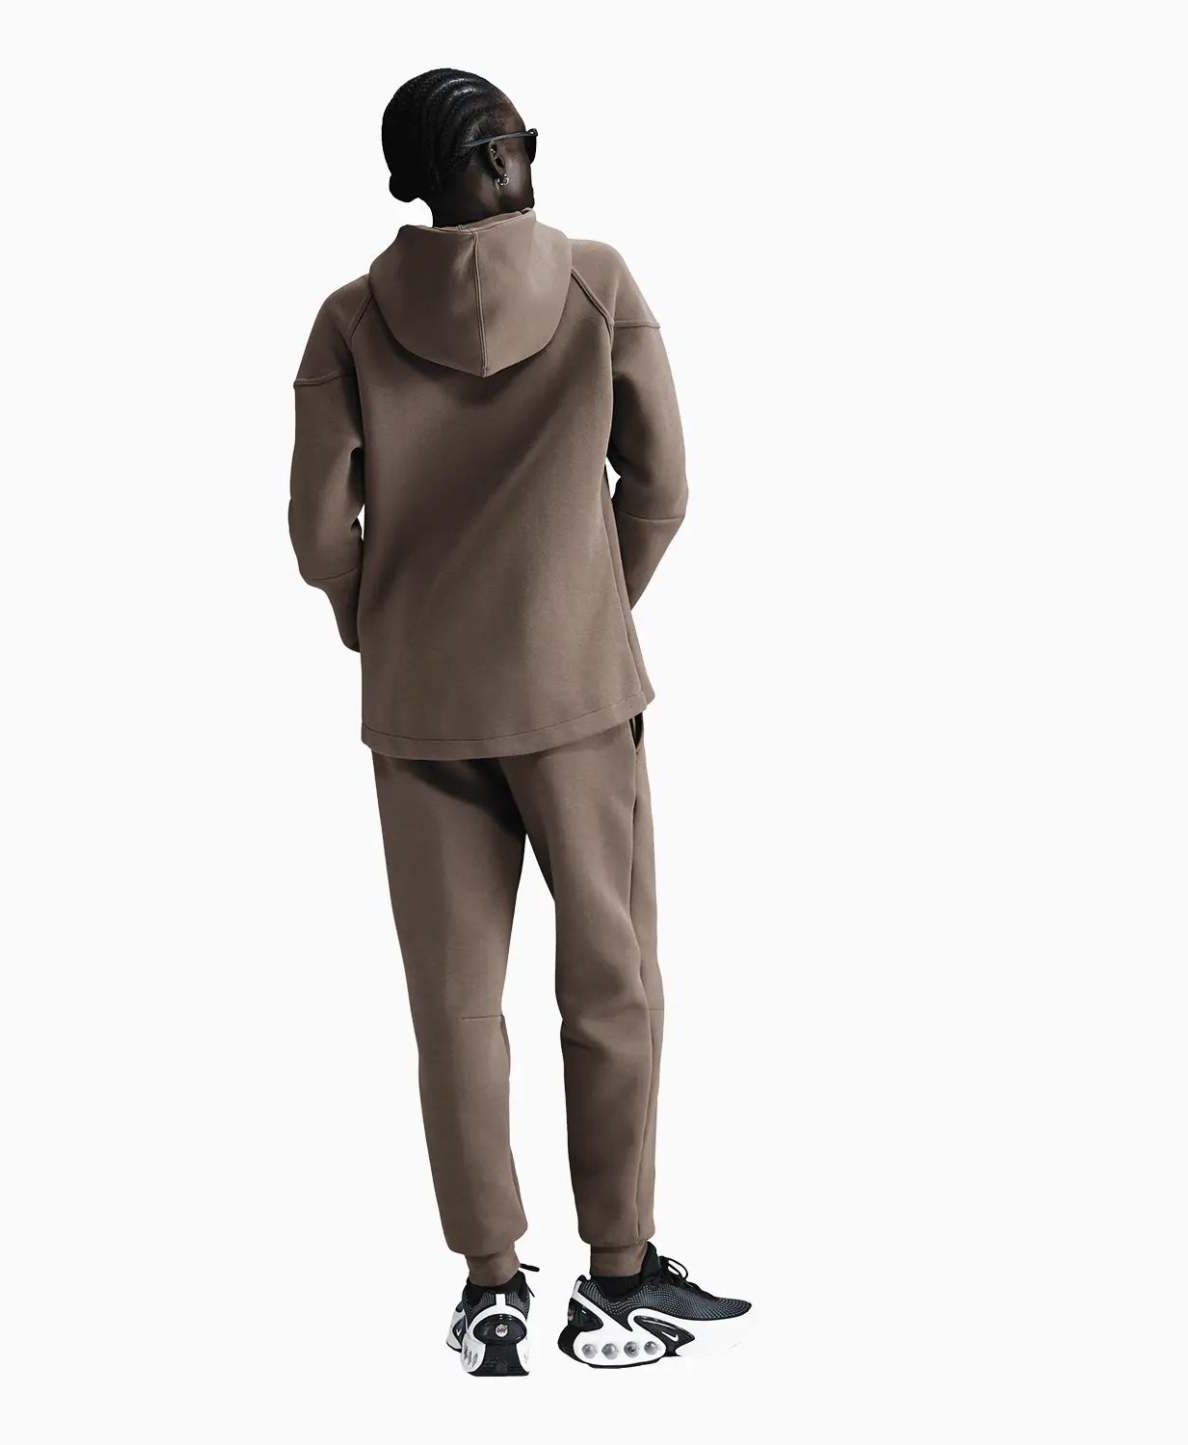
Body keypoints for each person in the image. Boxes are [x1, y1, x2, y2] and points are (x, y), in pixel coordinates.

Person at [289, 67, 750, 1374]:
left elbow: (320, 533)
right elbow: (659, 487)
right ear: (511, 157)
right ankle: (619, 1276)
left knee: (453, 1004)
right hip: (576, 698)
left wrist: (383, 629)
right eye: (518, 142)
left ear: (408, 183)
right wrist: (586, 611)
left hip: (421, 707)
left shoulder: (348, 319)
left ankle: (490, 1286)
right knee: (609, 982)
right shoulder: (598, 282)